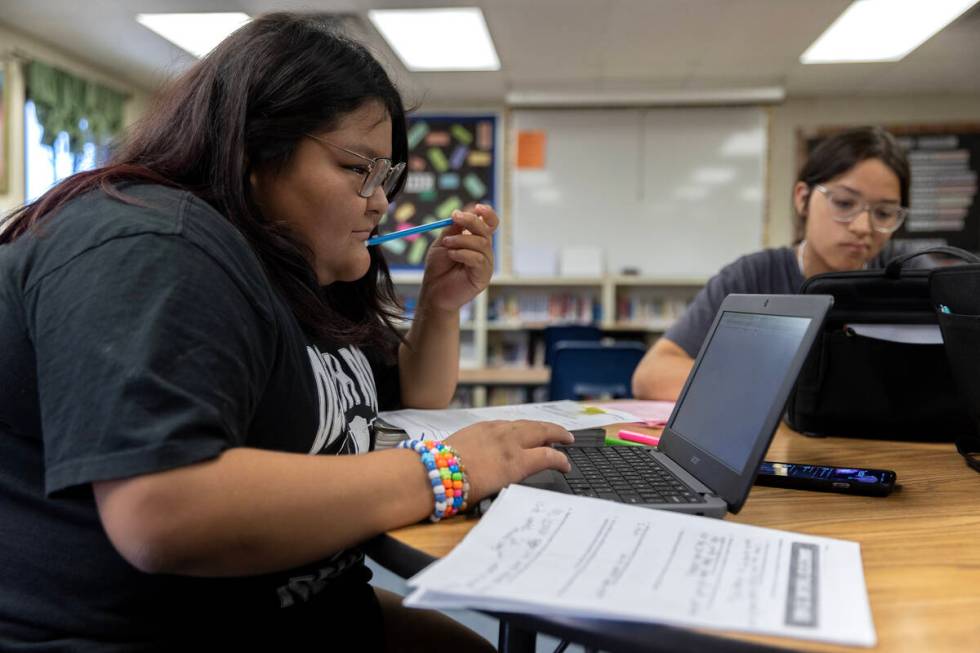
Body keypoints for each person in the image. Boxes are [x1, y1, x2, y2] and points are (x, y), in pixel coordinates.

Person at [0, 13, 573, 652]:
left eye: (387, 177)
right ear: (254, 153)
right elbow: (163, 509)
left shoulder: (292, 267)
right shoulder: (157, 246)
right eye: (359, 169)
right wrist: (447, 469)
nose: (382, 201)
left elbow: (412, 394)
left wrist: (440, 306)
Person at [632, 126, 917, 401]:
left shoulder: (906, 283)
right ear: (803, 199)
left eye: (884, 213)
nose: (862, 227)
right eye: (844, 203)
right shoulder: (752, 278)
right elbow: (652, 374)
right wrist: (779, 385)